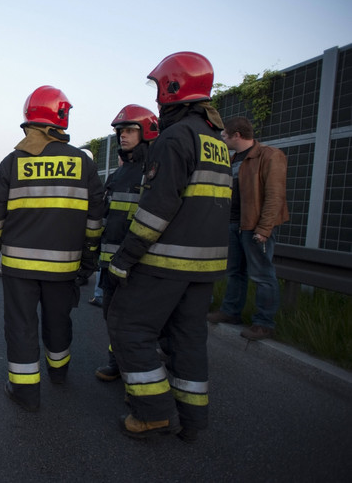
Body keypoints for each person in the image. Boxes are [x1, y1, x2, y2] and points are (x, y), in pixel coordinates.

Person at [105, 52, 231, 441]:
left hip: (166, 262)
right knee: (187, 339)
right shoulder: (216, 141)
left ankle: (153, 412)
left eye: (160, 88)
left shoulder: (176, 138)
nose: (158, 96)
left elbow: (158, 208)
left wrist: (125, 258)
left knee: (127, 327)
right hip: (204, 267)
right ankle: (192, 421)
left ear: (173, 88)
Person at [0, 85, 104, 411]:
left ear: (28, 120)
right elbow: (95, 220)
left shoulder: (12, 162)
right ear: (62, 119)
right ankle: (59, 372)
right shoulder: (84, 163)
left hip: (18, 268)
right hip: (64, 266)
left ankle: (25, 392)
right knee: (58, 320)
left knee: (21, 326)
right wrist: (89, 260)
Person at [207, 116, 289, 340]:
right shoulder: (232, 159)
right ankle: (231, 312)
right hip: (234, 224)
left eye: (224, 135)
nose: (222, 139)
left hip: (255, 226)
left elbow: (275, 195)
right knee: (235, 272)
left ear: (237, 135)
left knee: (262, 274)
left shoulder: (270, 156)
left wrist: (264, 228)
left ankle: (264, 323)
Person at [94, 105, 159, 382]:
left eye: (130, 130)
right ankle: (117, 362)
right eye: (121, 131)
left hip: (139, 264)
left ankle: (140, 370)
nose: (123, 136)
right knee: (112, 317)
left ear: (145, 133)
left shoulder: (154, 171)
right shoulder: (117, 175)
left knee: (134, 323)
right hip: (111, 264)